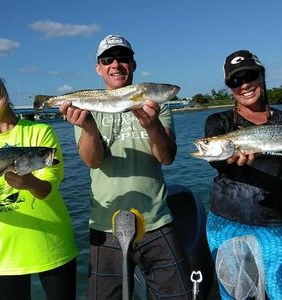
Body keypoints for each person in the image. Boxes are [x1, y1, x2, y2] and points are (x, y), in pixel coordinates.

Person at [59, 34, 193, 299]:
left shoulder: (157, 107)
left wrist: (152, 125)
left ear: (133, 64)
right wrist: (87, 126)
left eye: (123, 58)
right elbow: (92, 161)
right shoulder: (89, 107)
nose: (116, 65)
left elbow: (166, 157)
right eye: (108, 59)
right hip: (103, 223)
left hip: (156, 219)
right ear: (98, 68)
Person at [0, 65, 78, 300]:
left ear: (0, 81)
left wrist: (29, 183)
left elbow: (48, 188)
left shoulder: (40, 131)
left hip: (53, 244)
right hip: (4, 255)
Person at [205, 50, 282, 299]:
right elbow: (218, 163)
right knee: (236, 293)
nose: (245, 84)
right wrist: (229, 161)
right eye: (235, 81)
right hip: (227, 221)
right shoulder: (219, 122)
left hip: (275, 223)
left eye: (250, 75)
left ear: (262, 76)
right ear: (230, 88)